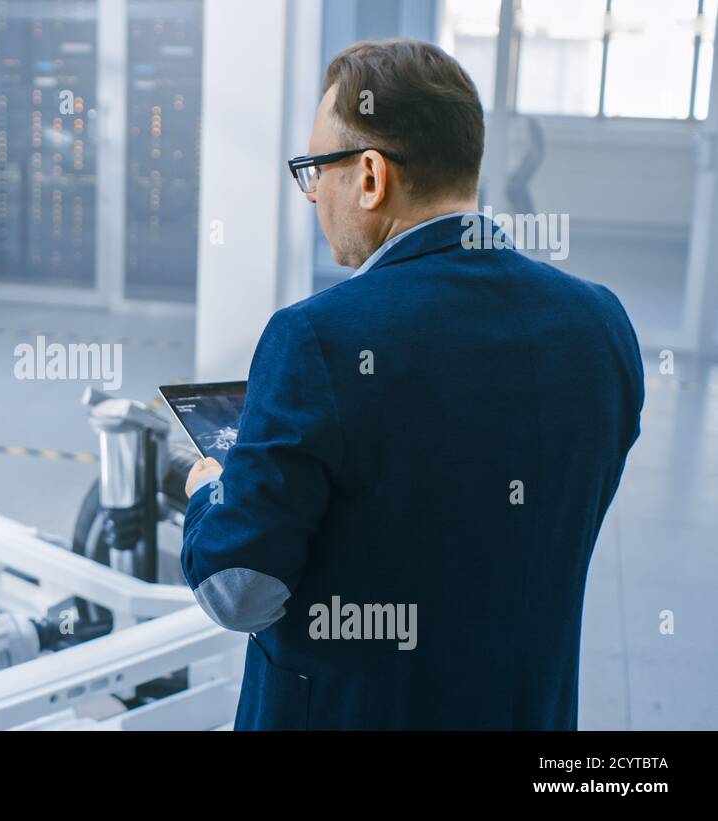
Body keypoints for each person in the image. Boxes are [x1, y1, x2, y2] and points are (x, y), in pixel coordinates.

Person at [181, 38, 644, 730]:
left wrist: (208, 491)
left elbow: (238, 589)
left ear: (369, 176)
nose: (312, 194)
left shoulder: (315, 340)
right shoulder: (600, 325)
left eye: (314, 170)